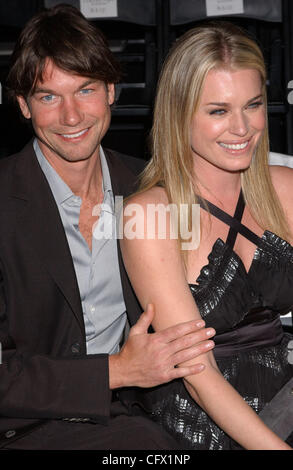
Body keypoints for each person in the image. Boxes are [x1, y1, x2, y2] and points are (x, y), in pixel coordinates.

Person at [0, 5, 216, 450]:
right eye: (47, 96)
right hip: (22, 424)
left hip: (136, 413)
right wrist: (118, 369)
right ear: (22, 105)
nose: (72, 116)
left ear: (112, 91)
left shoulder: (150, 188)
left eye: (86, 90)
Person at [120, 22, 293, 450]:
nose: (242, 128)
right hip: (207, 419)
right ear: (180, 115)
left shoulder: (285, 188)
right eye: (218, 111)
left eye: (252, 105)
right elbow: (200, 377)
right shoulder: (149, 214)